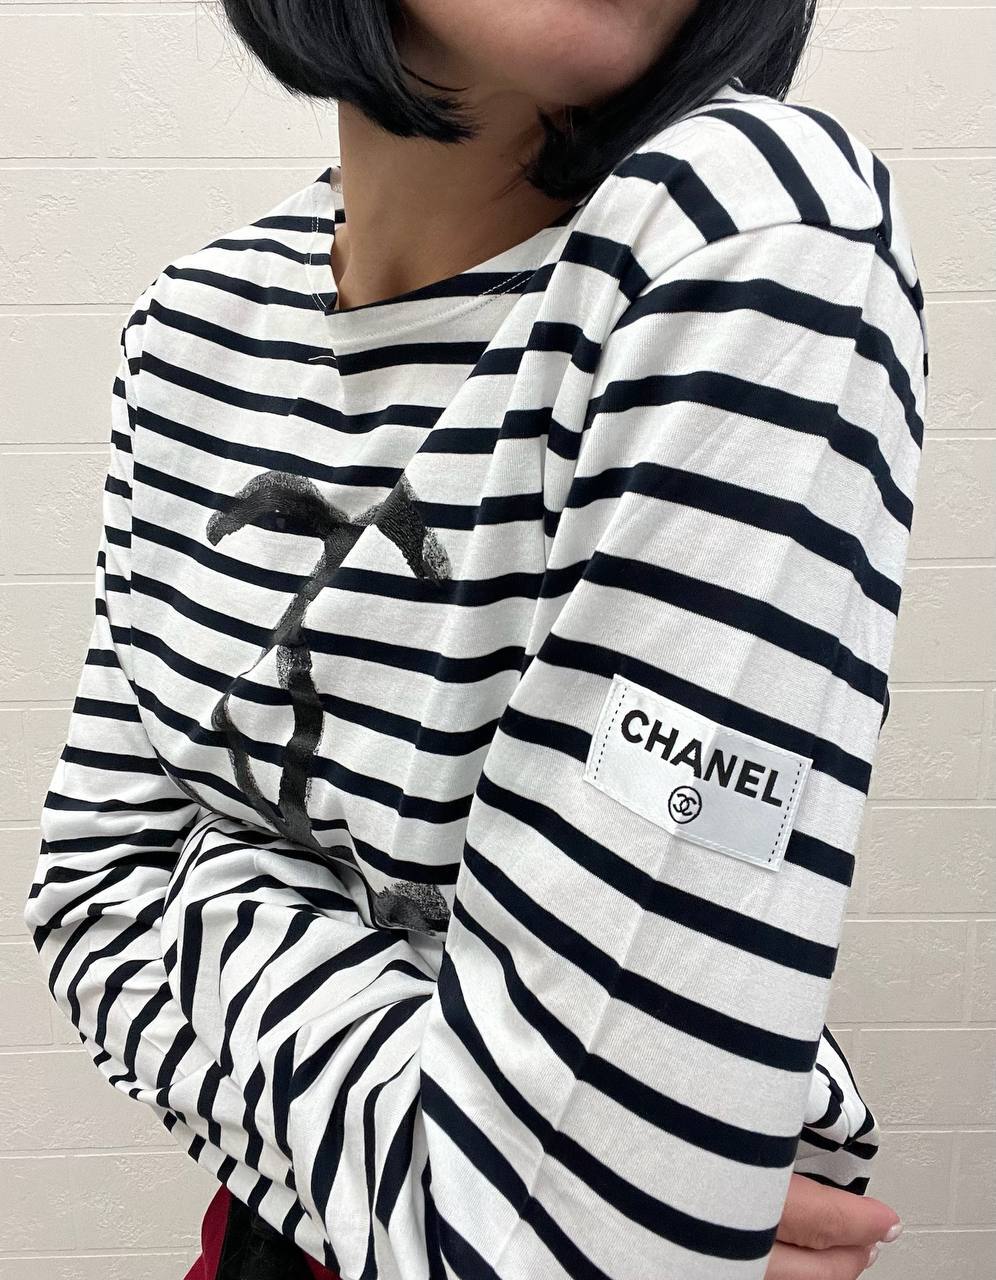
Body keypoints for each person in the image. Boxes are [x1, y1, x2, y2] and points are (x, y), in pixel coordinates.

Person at [23, 1, 924, 1277]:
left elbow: (566, 1234)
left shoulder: (746, 232)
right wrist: (477, 1158)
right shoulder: (188, 327)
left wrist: (217, 883)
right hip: (278, 1234)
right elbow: (89, 895)